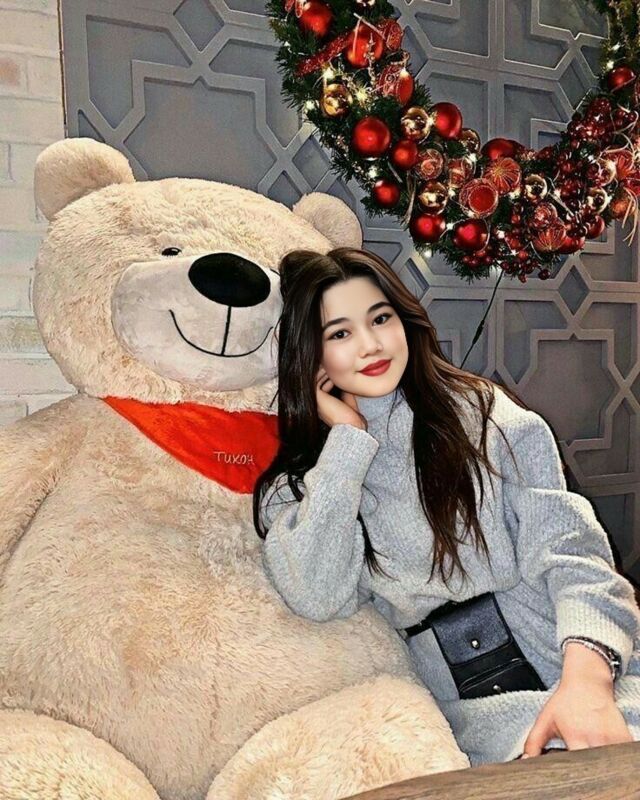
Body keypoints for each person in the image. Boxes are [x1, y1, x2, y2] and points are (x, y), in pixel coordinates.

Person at [252, 246, 640, 765]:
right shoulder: (307, 481)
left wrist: (587, 685)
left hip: (575, 662)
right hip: (471, 715)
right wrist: (347, 443)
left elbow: (572, 552)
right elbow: (318, 596)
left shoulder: (482, 413)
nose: (371, 345)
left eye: (381, 318)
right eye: (339, 334)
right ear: (310, 355)